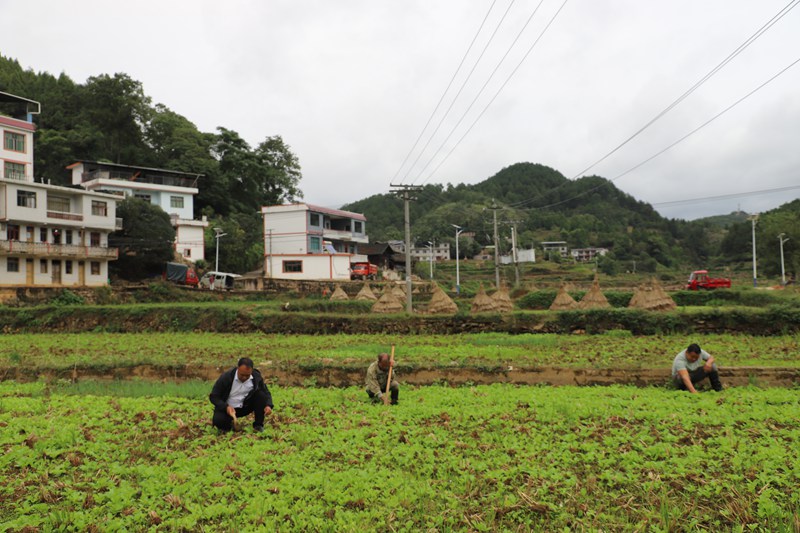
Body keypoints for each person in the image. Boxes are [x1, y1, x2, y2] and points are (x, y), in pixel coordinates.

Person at [210, 357, 273, 432]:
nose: (244, 378)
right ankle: (230, 425)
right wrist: (226, 407)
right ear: (238, 368)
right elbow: (214, 396)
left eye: (247, 375)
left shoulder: (256, 377)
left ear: (251, 370)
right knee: (219, 421)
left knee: (261, 395)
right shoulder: (226, 377)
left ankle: (258, 425)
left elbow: (266, 392)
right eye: (242, 375)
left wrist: (268, 405)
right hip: (228, 409)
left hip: (245, 407)